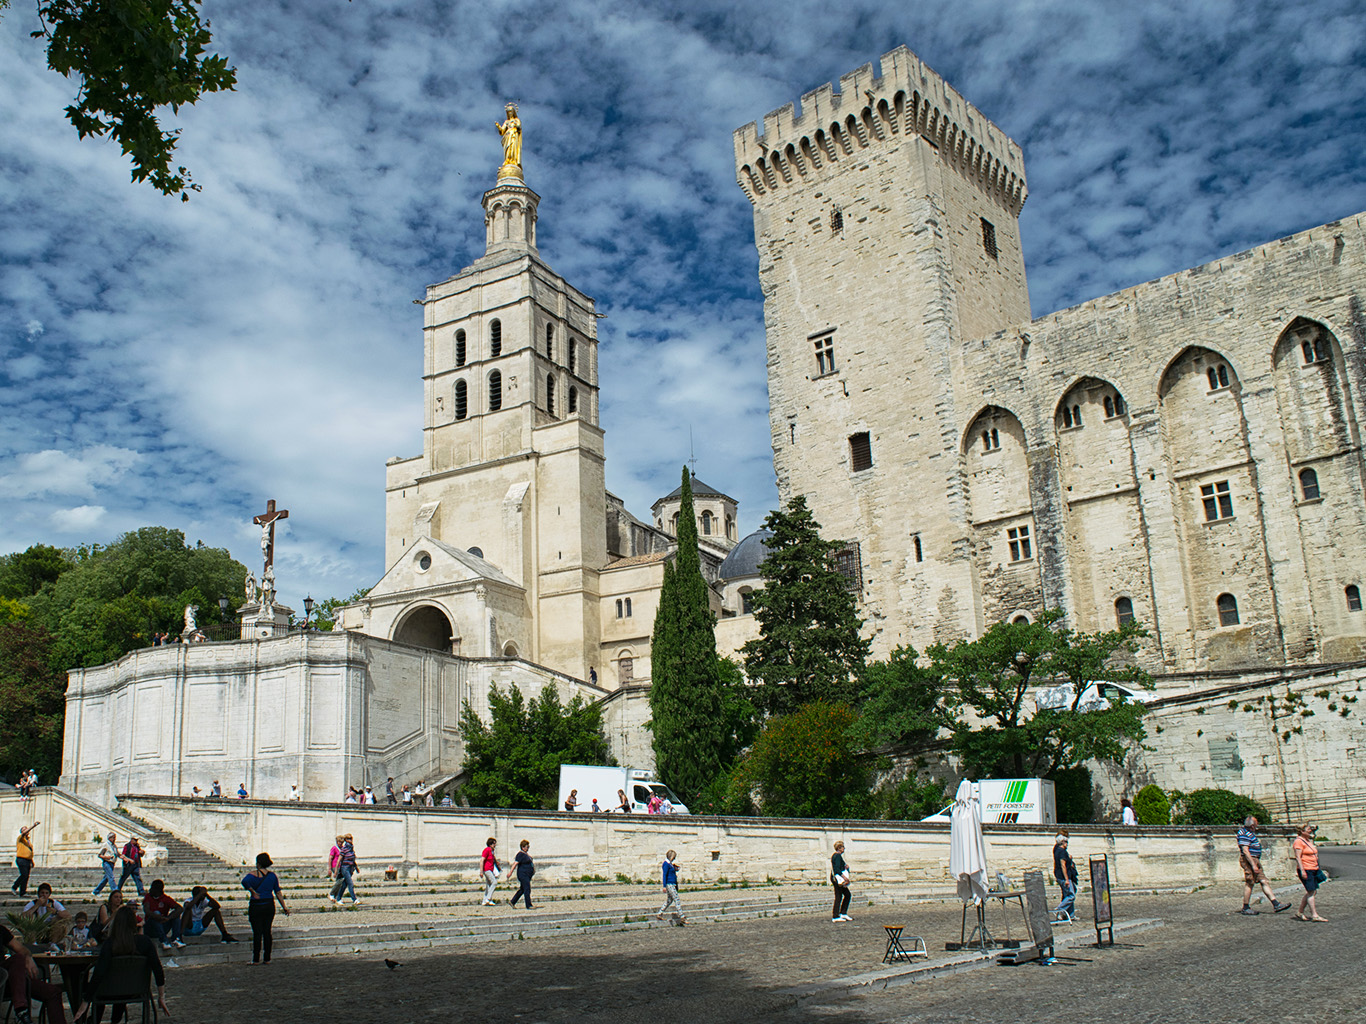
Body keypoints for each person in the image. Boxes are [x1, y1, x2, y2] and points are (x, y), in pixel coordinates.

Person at [75, 905, 167, 1022]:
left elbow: (99, 972)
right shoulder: (145, 942)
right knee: (123, 979)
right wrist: (161, 997)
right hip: (135, 989)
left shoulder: (110, 944)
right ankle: (115, 1020)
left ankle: (94, 1019)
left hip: (109, 990)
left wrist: (86, 1001)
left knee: (105, 983)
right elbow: (158, 969)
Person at [2, 915, 70, 1024]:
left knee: (53, 992)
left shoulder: (1, 931)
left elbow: (21, 949)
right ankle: (21, 1010)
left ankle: (22, 1011)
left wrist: (28, 957)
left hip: (12, 981)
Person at [242, 852, 290, 964]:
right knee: (267, 931)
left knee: (257, 933)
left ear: (258, 863)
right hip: (269, 904)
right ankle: (267, 958)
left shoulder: (253, 875)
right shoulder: (272, 876)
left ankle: (256, 959)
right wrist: (284, 907)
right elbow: (278, 892)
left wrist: (252, 891)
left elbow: (244, 881)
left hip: (256, 905)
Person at [1237, 816, 1291, 915]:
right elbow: (1245, 851)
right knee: (1250, 882)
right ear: (1252, 825)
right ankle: (1245, 907)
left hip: (1255, 859)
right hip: (1250, 860)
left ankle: (1276, 904)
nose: (1257, 826)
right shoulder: (1244, 834)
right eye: (1256, 824)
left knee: (1263, 881)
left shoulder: (1249, 833)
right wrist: (1253, 865)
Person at [1291, 823, 1328, 922]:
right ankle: (1314, 915)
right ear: (1302, 831)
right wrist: (1302, 871)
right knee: (1311, 892)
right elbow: (1298, 857)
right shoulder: (1298, 842)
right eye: (1308, 829)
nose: (1310, 830)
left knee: (1312, 891)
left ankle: (1300, 912)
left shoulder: (1307, 840)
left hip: (1313, 868)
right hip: (1306, 869)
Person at [141, 879, 185, 949]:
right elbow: (147, 910)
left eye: (152, 888)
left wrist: (168, 918)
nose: (150, 890)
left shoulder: (165, 899)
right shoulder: (148, 897)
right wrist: (157, 917)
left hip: (162, 925)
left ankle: (176, 938)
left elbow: (180, 908)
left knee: (176, 916)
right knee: (156, 913)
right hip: (150, 928)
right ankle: (164, 940)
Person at [656, 850, 686, 925]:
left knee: (669, 901)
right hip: (669, 884)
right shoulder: (666, 864)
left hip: (672, 883)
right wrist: (664, 886)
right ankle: (682, 916)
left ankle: (660, 913)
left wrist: (675, 868)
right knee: (676, 899)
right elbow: (664, 875)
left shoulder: (670, 864)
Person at [1053, 833, 1079, 920]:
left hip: (1059, 875)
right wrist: (1067, 879)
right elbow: (1063, 866)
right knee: (1071, 895)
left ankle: (1070, 915)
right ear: (1063, 842)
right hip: (1064, 877)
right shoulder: (1062, 852)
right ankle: (1059, 909)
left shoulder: (1056, 850)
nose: (1067, 844)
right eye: (1066, 842)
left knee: (1067, 894)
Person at [329, 834, 358, 905]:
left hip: (342, 867)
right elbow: (331, 858)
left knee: (342, 883)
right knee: (340, 881)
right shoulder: (334, 848)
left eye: (341, 842)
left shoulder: (343, 848)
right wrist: (330, 869)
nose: (340, 843)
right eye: (339, 842)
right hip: (335, 866)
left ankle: (336, 897)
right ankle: (332, 894)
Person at [507, 839, 535, 909]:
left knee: (522, 889)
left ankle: (513, 901)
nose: (528, 848)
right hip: (523, 874)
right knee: (527, 889)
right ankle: (528, 905)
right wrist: (510, 872)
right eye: (527, 847)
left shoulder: (526, 854)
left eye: (528, 847)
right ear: (523, 847)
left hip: (527, 875)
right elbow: (515, 863)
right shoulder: (520, 854)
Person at [12, 821, 38, 896]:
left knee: (26, 876)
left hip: (27, 860)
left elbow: (29, 851)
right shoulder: (20, 838)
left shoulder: (28, 841)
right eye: (24, 829)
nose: (26, 830)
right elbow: (23, 833)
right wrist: (33, 826)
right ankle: (14, 887)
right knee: (24, 874)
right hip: (21, 859)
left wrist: (31, 861)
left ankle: (22, 892)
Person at [92, 830, 119, 897]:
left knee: (106, 878)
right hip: (107, 863)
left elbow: (118, 854)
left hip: (112, 863)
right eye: (113, 837)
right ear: (109, 838)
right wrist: (106, 857)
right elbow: (100, 855)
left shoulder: (114, 846)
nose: (114, 839)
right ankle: (115, 891)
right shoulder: (105, 845)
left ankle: (96, 891)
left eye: (114, 837)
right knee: (111, 877)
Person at [830, 841, 852, 922]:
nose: (844, 849)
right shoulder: (837, 856)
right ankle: (836, 916)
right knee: (841, 896)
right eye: (843, 847)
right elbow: (837, 869)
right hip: (838, 879)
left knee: (846, 895)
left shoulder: (835, 856)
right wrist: (845, 878)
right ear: (839, 848)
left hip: (836, 878)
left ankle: (842, 913)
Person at [480, 837, 500, 906]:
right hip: (487, 869)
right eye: (494, 844)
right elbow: (482, 860)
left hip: (490, 869)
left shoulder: (492, 851)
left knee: (488, 885)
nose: (495, 845)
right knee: (494, 882)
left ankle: (485, 901)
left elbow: (493, 858)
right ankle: (488, 898)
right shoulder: (487, 850)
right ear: (490, 844)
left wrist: (496, 862)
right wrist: (481, 871)